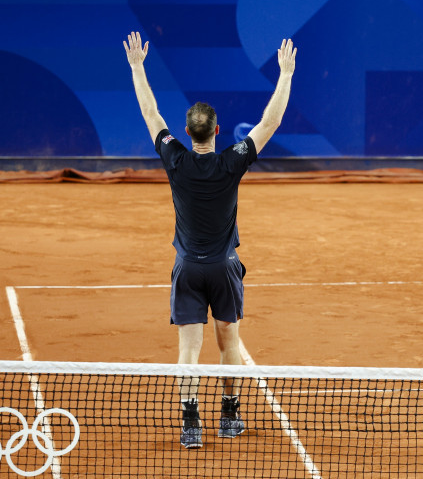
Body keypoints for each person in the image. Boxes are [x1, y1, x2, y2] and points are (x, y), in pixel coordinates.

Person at [123, 31, 297, 448]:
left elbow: (151, 114)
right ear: (218, 130)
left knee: (189, 350)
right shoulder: (231, 163)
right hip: (223, 267)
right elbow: (270, 121)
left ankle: (190, 424)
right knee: (229, 339)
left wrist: (136, 67)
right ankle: (230, 417)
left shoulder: (175, 159)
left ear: (186, 131)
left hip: (187, 268)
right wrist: (286, 74)